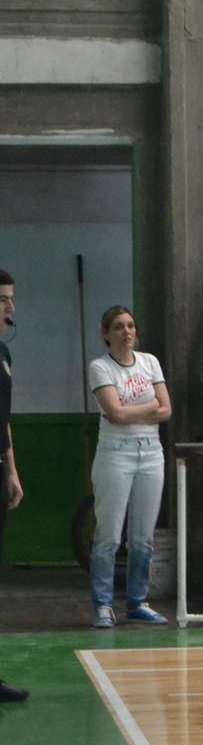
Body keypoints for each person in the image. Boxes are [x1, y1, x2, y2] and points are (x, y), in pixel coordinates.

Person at [87, 307, 172, 627]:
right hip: (114, 455)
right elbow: (116, 415)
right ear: (105, 333)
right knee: (108, 535)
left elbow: (167, 410)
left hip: (151, 453)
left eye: (131, 326)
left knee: (143, 537)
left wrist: (138, 409)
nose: (127, 332)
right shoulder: (100, 367)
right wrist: (149, 405)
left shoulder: (150, 362)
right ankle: (103, 605)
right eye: (119, 327)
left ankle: (137, 601)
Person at [0, 270, 28, 702]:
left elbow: (1, 418)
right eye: (3, 300)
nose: (11, 308)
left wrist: (11, 470)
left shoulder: (3, 352)